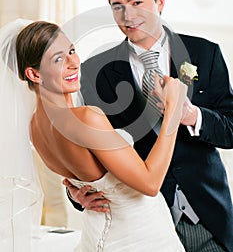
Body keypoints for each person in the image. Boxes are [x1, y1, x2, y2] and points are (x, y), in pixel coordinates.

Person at [65, 0, 233, 252]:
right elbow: (88, 154)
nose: (127, 15)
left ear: (160, 1)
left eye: (136, 2)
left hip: (208, 218)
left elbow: (231, 129)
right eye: (117, 6)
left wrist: (191, 115)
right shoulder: (95, 73)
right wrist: (77, 197)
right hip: (139, 226)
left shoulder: (205, 53)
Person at [1, 19, 187, 251]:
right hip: (140, 234)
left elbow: (81, 176)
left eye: (71, 51)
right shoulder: (87, 118)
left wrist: (78, 194)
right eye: (58, 59)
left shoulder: (33, 128)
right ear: (34, 74)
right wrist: (174, 109)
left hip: (96, 234)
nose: (73, 63)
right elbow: (149, 183)